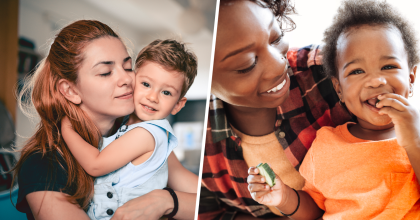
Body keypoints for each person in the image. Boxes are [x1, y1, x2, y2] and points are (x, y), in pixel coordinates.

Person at [247, 0, 420, 219]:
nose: (375, 81)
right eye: (357, 71)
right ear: (339, 89)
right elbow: (315, 209)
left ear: (411, 77)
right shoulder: (326, 144)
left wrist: (414, 141)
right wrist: (283, 197)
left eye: (388, 67)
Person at [13, 20, 198, 220]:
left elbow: (214, 199)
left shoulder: (145, 136)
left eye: (128, 67)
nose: (127, 79)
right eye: (105, 72)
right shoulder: (44, 163)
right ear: (71, 90)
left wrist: (166, 200)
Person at [199, 0, 353, 219]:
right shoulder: (201, 143)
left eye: (276, 38)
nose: (279, 65)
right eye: (247, 64)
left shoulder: (333, 71)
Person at [60, 39, 198, 220]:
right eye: (146, 84)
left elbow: (95, 165)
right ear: (132, 79)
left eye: (166, 92)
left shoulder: (147, 134)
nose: (152, 97)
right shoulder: (127, 125)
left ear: (178, 105)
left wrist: (67, 128)